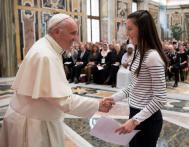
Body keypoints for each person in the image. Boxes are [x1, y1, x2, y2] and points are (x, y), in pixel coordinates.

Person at [0, 13, 114, 147]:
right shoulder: (46, 55)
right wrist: (97, 104)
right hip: (32, 126)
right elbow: (63, 101)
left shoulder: (47, 47)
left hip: (35, 118)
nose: (76, 39)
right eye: (73, 33)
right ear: (57, 32)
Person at [107, 10, 168, 147]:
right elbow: (133, 86)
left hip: (147, 119)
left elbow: (160, 98)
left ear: (143, 30)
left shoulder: (152, 57)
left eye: (130, 29)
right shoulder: (138, 51)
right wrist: (113, 98)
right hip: (135, 112)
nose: (127, 33)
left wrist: (135, 120)